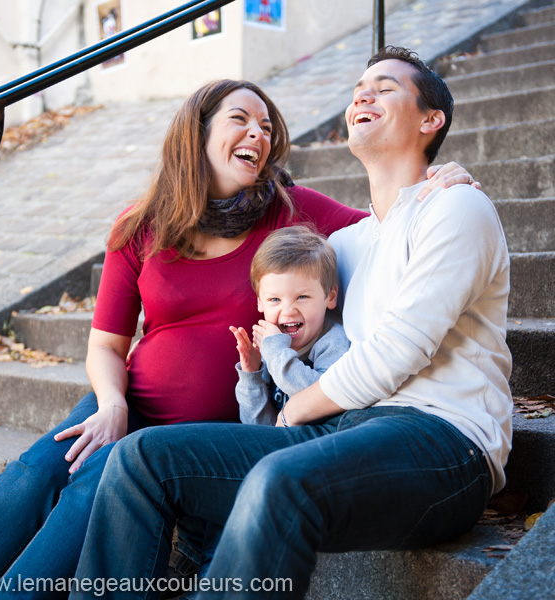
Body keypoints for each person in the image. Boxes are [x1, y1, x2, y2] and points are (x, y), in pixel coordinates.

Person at [0, 78, 475, 598]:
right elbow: (107, 344)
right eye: (241, 120)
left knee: (89, 491)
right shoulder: (141, 225)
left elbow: (388, 230)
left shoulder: (291, 212)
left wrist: (439, 179)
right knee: (36, 472)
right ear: (197, 132)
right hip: (129, 402)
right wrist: (111, 403)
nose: (259, 134)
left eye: (267, 127)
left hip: (209, 430)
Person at [70, 47, 511, 600]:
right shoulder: (346, 245)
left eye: (385, 86)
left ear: (430, 121)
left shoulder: (456, 209)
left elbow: (404, 347)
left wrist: (295, 410)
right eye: (357, 87)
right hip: (344, 430)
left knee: (278, 481)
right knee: (142, 458)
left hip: (442, 441)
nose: (361, 95)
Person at [230, 225, 348, 426]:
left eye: (302, 297)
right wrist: (252, 375)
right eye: (274, 299)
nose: (288, 310)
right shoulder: (270, 345)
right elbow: (258, 426)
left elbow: (319, 397)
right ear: (260, 302)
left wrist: (276, 352)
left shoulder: (333, 342)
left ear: (330, 297)